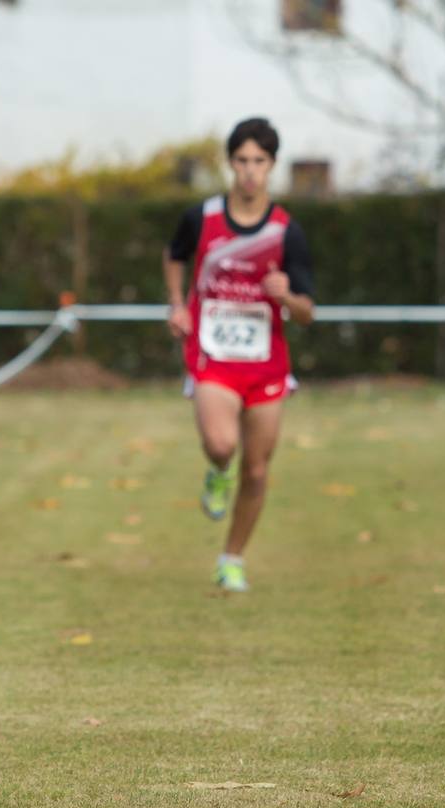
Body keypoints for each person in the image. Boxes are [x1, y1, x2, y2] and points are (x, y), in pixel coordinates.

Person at [164, 118, 315, 592]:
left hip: (266, 363)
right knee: (222, 445)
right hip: (213, 356)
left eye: (260, 162)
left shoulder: (287, 231)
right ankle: (216, 472)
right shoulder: (202, 218)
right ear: (231, 164)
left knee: (257, 467)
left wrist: (287, 297)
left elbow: (308, 313)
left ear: (272, 167)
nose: (250, 172)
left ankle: (232, 558)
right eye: (243, 161)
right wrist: (177, 305)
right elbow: (174, 254)